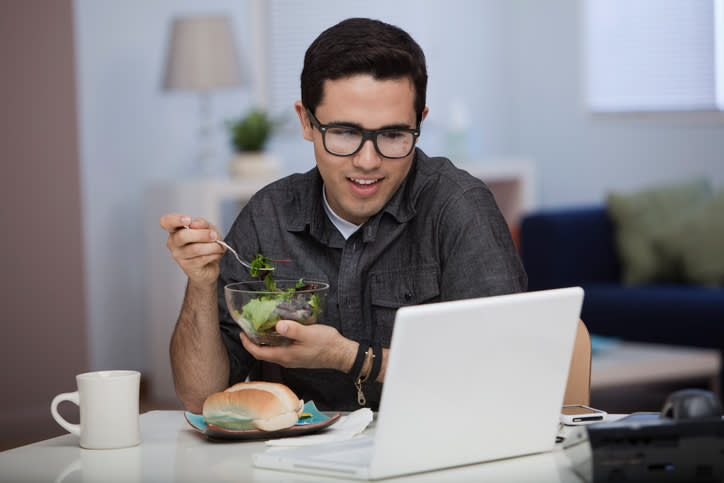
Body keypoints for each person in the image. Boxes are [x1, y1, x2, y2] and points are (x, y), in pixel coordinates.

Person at [160, 17, 526, 414]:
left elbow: (501, 372)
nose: (368, 161)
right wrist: (200, 283)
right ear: (306, 121)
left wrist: (346, 356)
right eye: (345, 133)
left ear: (419, 122)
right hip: (295, 466)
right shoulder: (268, 215)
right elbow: (200, 396)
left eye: (392, 135)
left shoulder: (459, 206)